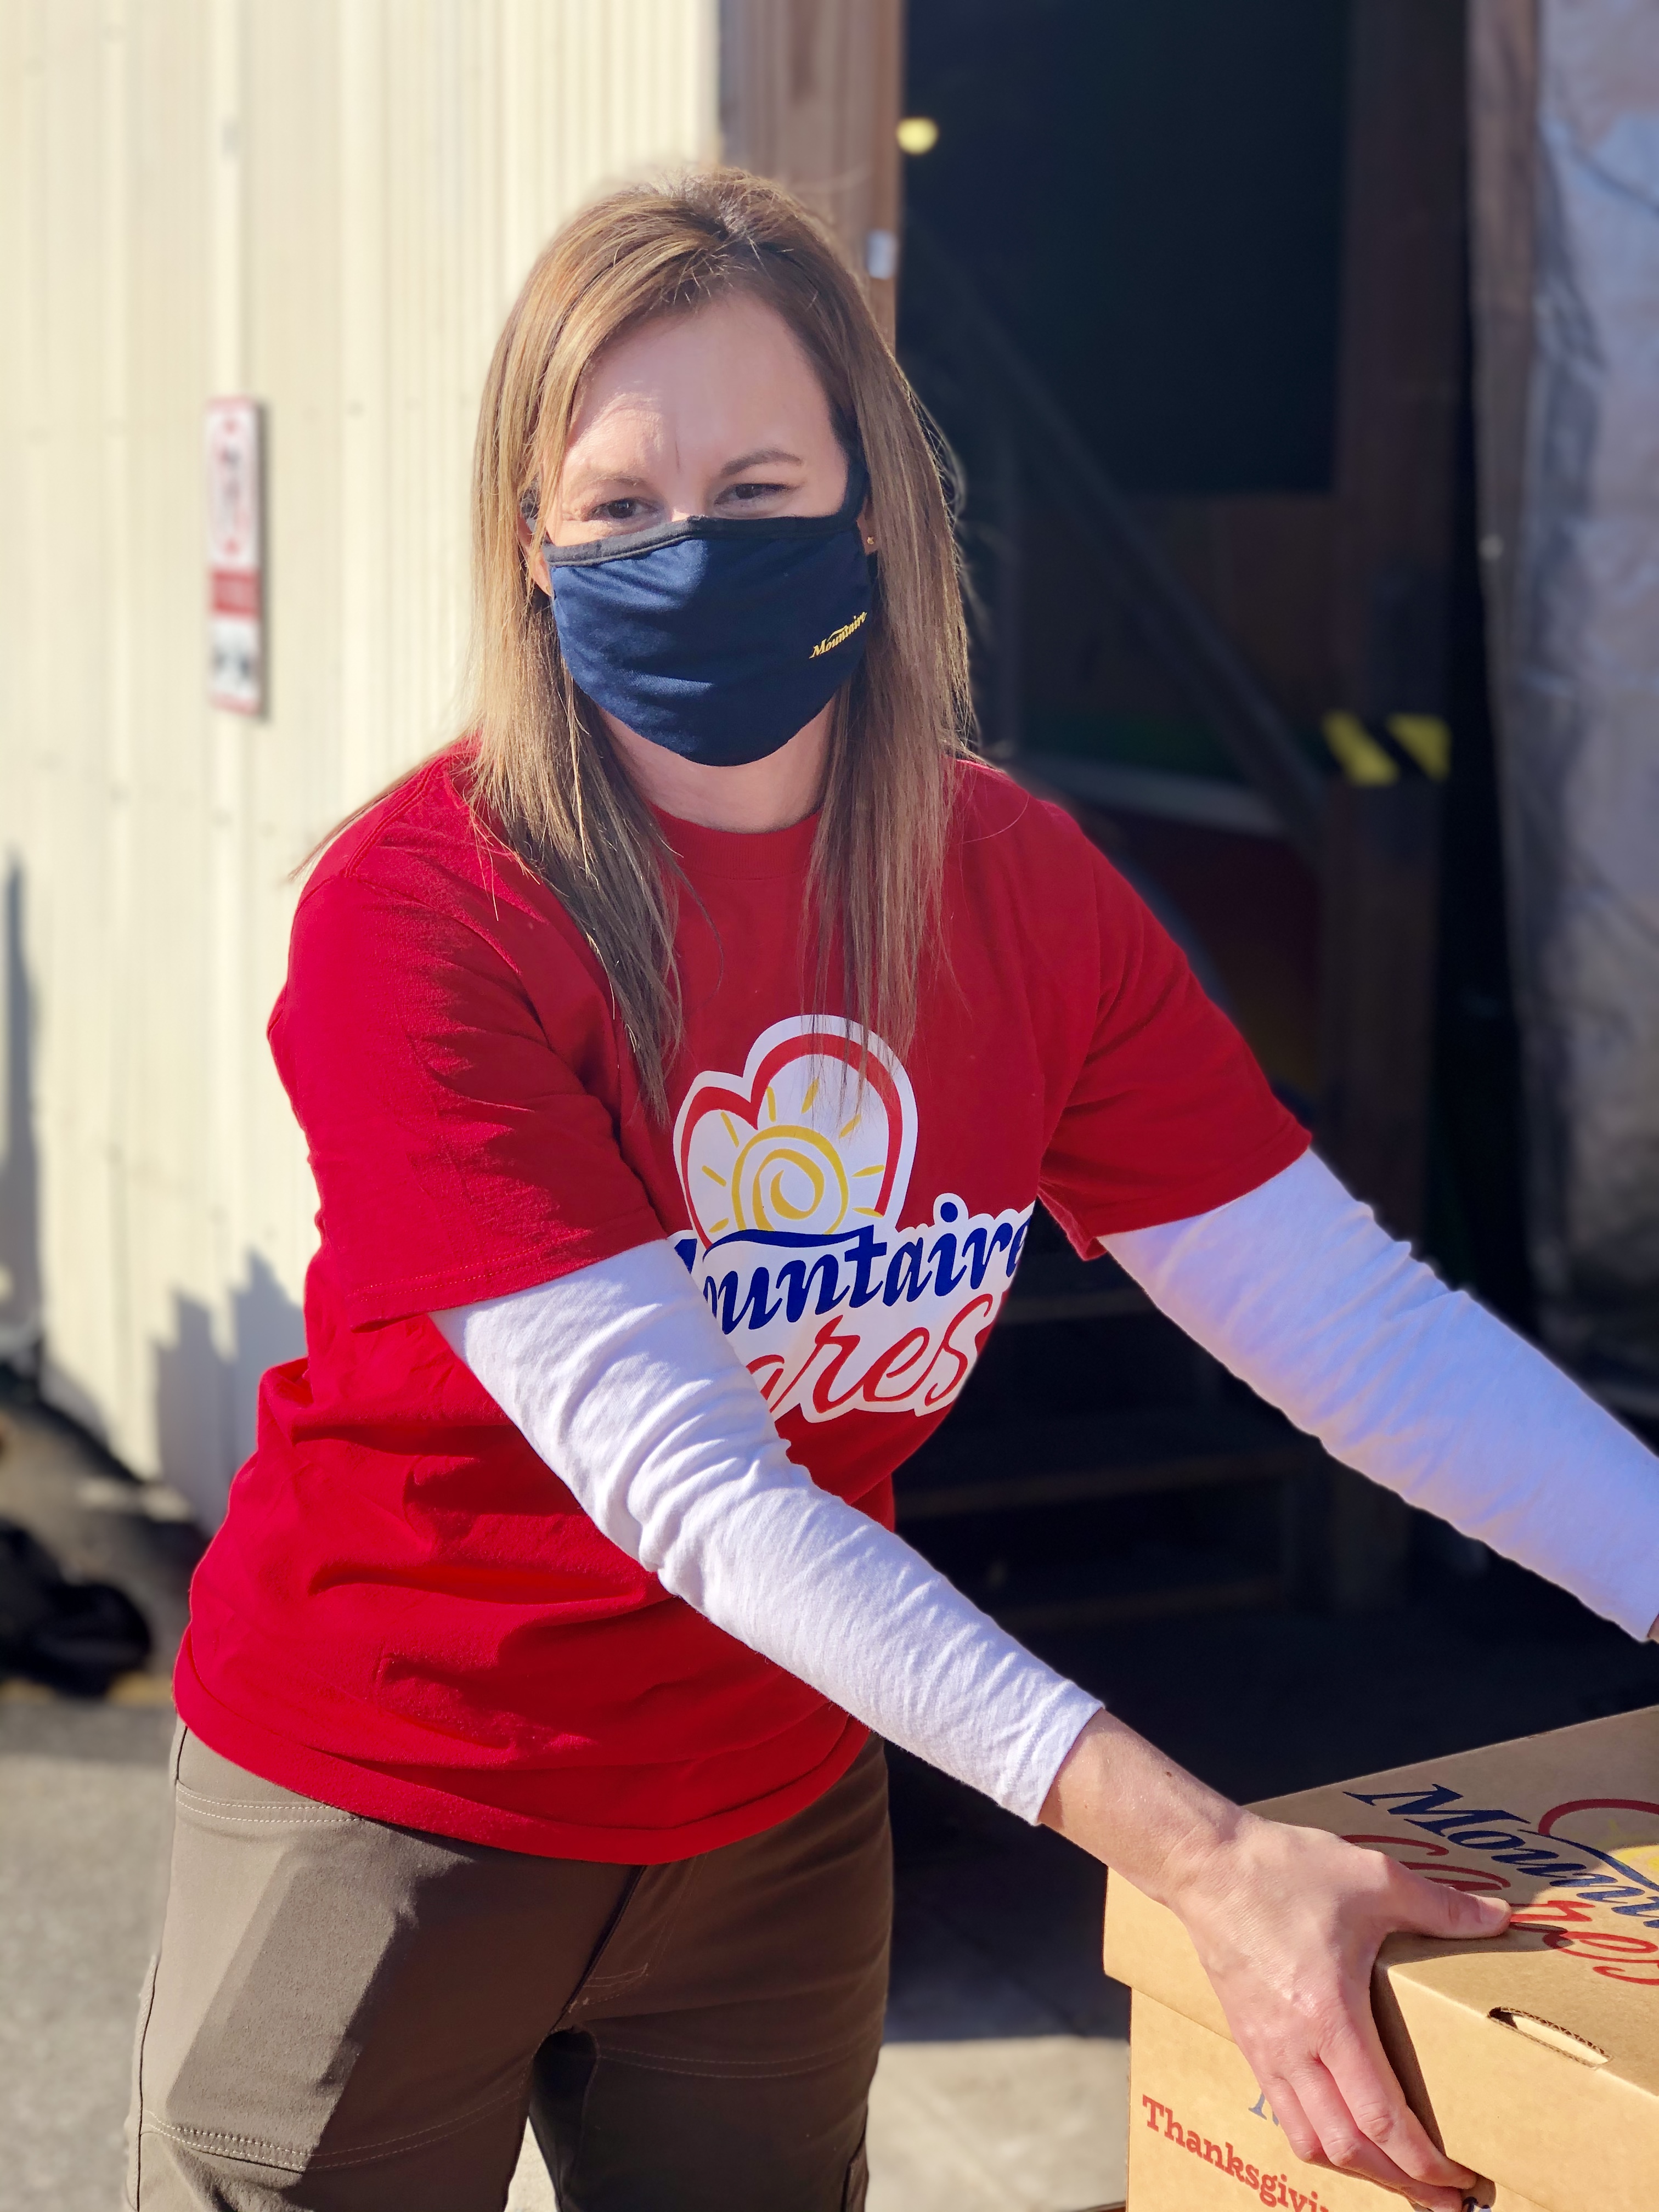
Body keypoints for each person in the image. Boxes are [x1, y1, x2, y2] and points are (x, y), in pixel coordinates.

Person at [128, 170, 1659, 2212]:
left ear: (870, 505)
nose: (693, 546)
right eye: (621, 506)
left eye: (758, 488)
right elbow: (692, 1484)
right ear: (531, 547)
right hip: (396, 1799)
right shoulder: (426, 916)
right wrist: (1203, 1857)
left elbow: (1356, 1333)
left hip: (769, 1814)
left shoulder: (1011, 888)